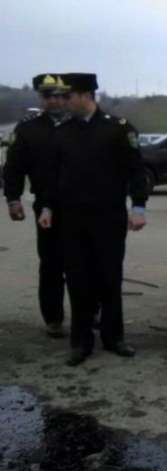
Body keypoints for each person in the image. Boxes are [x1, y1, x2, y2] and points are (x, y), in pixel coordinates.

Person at [37, 73, 148, 366]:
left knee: (109, 277)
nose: (62, 101)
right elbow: (52, 177)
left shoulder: (117, 129)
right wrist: (46, 207)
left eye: (68, 96)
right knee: (77, 280)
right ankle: (80, 342)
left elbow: (137, 170)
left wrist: (139, 206)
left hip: (108, 218)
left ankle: (114, 337)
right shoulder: (62, 133)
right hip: (71, 219)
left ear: (86, 96)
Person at [3, 74, 70, 338]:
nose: (54, 101)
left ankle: (91, 314)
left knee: (87, 261)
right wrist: (13, 198)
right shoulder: (28, 129)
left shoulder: (82, 124)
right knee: (52, 263)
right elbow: (14, 168)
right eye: (48, 96)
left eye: (59, 95)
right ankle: (53, 318)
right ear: (41, 99)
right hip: (45, 205)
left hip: (81, 204)